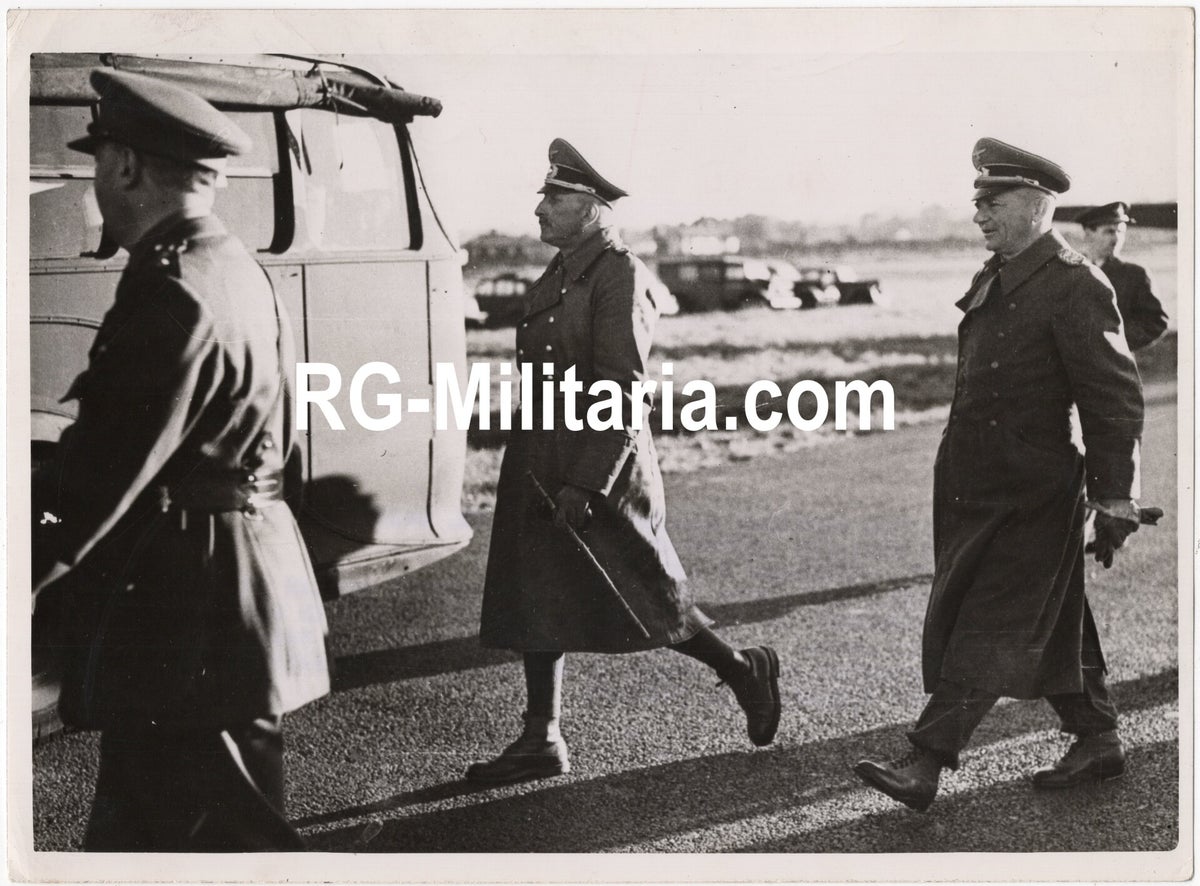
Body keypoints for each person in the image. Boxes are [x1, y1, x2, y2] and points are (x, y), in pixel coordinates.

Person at [32, 69, 330, 850]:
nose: (93, 182)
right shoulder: (232, 267)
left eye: (97, 160)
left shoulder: (172, 284)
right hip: (230, 599)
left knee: (215, 841)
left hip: (186, 617)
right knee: (169, 836)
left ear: (126, 166)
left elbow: (103, 472)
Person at [468, 138, 781, 784]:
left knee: (647, 591)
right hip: (542, 454)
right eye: (544, 196)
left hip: (597, 462)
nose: (539, 209)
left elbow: (621, 386)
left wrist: (587, 481)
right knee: (536, 593)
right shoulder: (560, 273)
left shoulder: (620, 275)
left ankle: (744, 670)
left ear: (592, 209)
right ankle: (541, 736)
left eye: (554, 197)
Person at [852, 138, 1146, 812]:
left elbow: (1113, 398)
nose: (979, 213)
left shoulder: (1075, 283)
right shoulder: (999, 273)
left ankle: (926, 761)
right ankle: (1098, 737)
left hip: (1032, 490)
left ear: (1038, 206)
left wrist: (1115, 494)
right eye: (977, 200)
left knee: (992, 618)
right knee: (1052, 611)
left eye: (994, 200)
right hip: (974, 482)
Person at [1077, 201, 1169, 352]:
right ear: (1088, 233)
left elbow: (1156, 321)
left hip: (1115, 365)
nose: (1116, 239)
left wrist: (1114, 340)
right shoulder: (1072, 269)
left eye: (1120, 232)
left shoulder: (1135, 274)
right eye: (1109, 232)